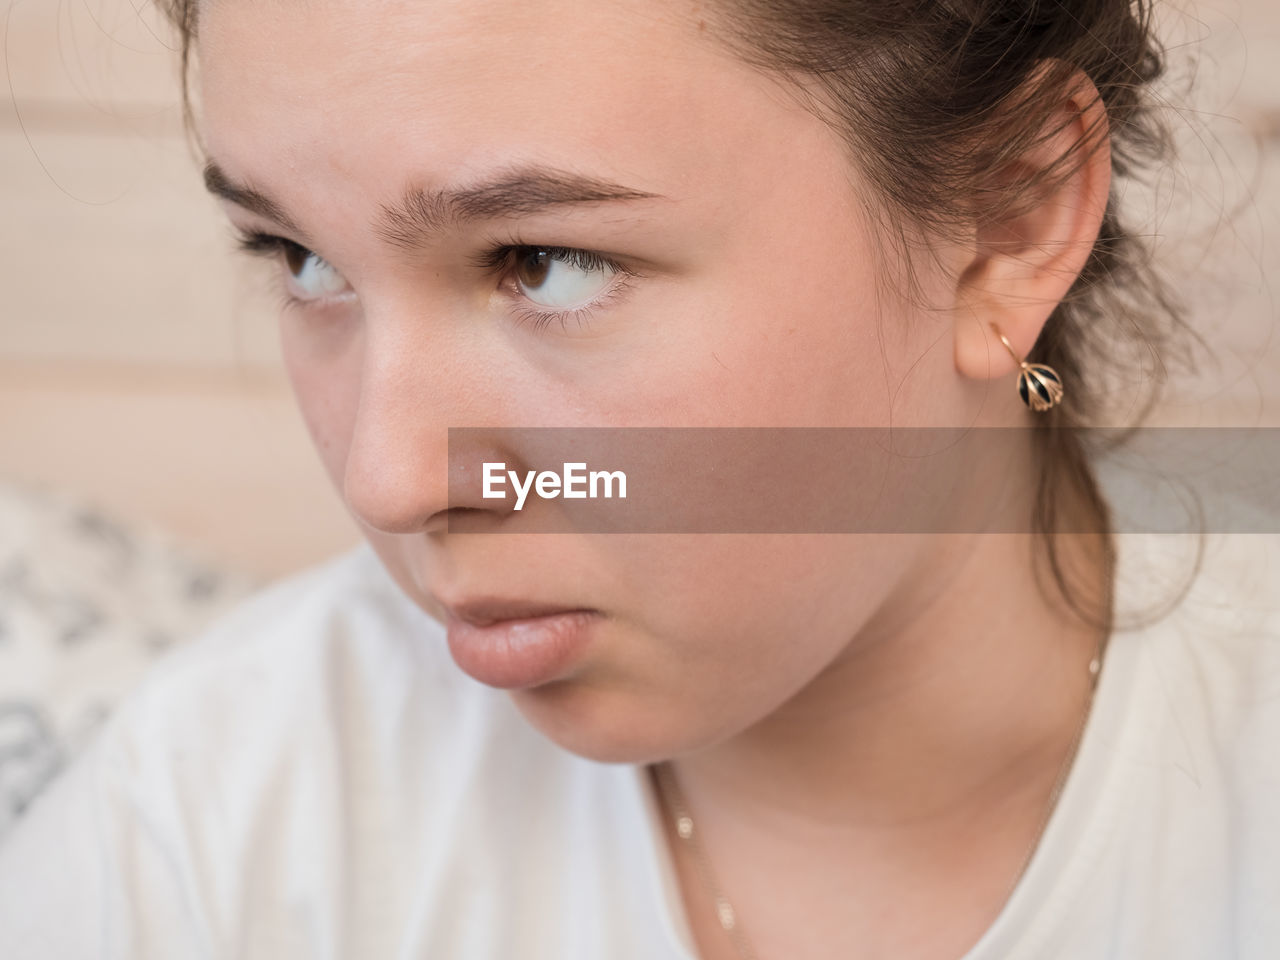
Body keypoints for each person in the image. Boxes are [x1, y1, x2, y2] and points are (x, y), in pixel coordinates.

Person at [1, 1, 1277, 958]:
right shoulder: (201, 841)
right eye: (300, 258)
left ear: (1009, 218)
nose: (390, 479)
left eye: (544, 261)